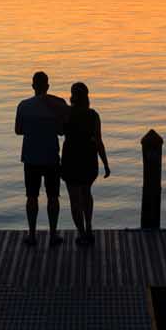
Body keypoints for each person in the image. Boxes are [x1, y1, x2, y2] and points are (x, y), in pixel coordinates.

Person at [14, 71, 69, 247]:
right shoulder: (57, 105)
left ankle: (32, 235)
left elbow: (18, 130)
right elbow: (62, 130)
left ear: (33, 86)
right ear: (47, 86)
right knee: (53, 197)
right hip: (51, 157)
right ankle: (53, 235)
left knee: (31, 197)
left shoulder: (23, 106)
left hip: (30, 158)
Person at [61, 81, 109, 246]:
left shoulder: (66, 113)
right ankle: (88, 227)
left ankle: (81, 233)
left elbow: (60, 131)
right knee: (86, 194)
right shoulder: (93, 115)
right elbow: (99, 142)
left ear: (72, 96)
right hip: (88, 158)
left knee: (74, 198)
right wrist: (106, 163)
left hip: (70, 159)